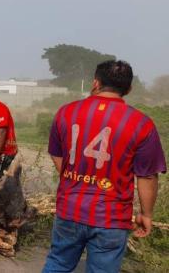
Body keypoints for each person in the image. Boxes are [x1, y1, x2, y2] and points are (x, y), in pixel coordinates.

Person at [42, 60, 166, 273]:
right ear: (128, 89)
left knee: (58, 264)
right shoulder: (141, 123)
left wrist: (75, 178)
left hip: (69, 209)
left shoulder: (66, 112)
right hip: (112, 217)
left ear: (95, 83)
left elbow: (56, 154)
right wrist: (146, 214)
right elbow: (146, 176)